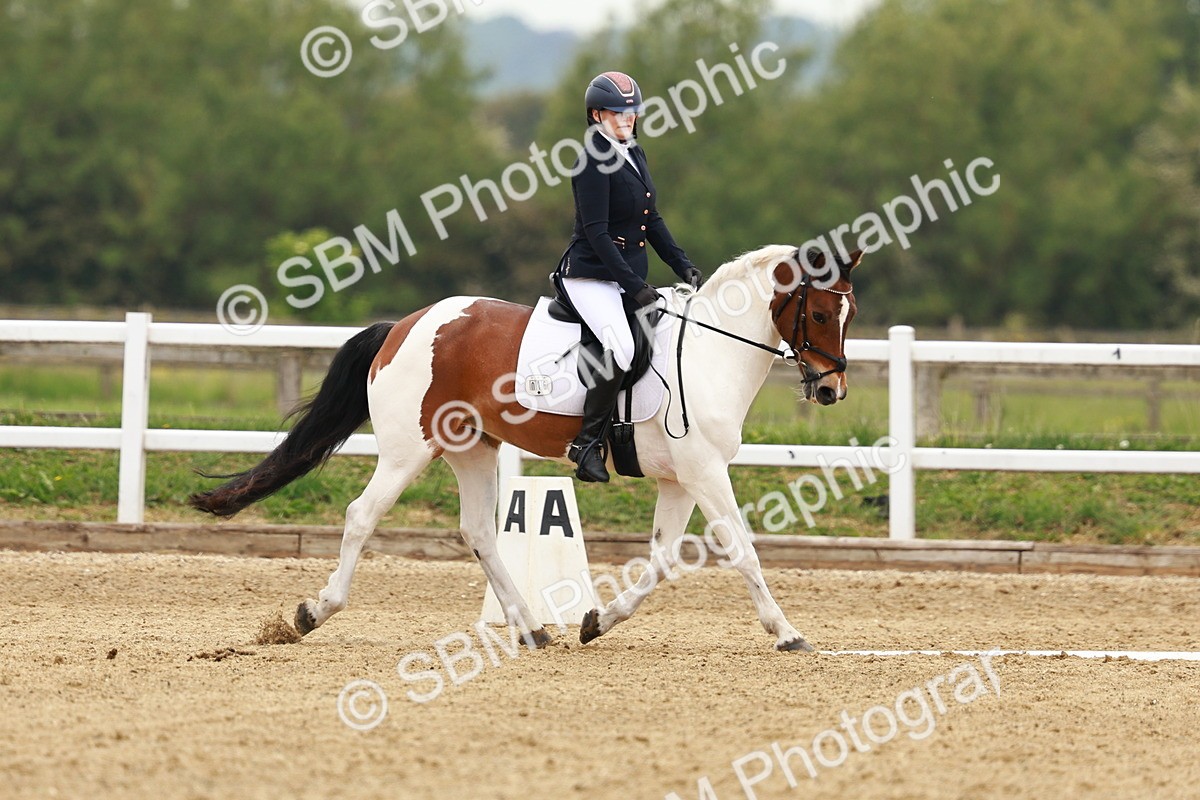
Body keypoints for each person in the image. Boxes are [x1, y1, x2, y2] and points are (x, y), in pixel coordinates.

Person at [556, 71, 703, 483]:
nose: (627, 119)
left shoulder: (634, 153)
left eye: (632, 111)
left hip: (624, 278)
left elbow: (650, 219)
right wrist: (635, 287)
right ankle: (586, 444)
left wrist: (682, 264)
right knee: (620, 347)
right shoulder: (590, 159)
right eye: (618, 113)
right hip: (591, 277)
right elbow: (597, 233)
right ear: (597, 114)